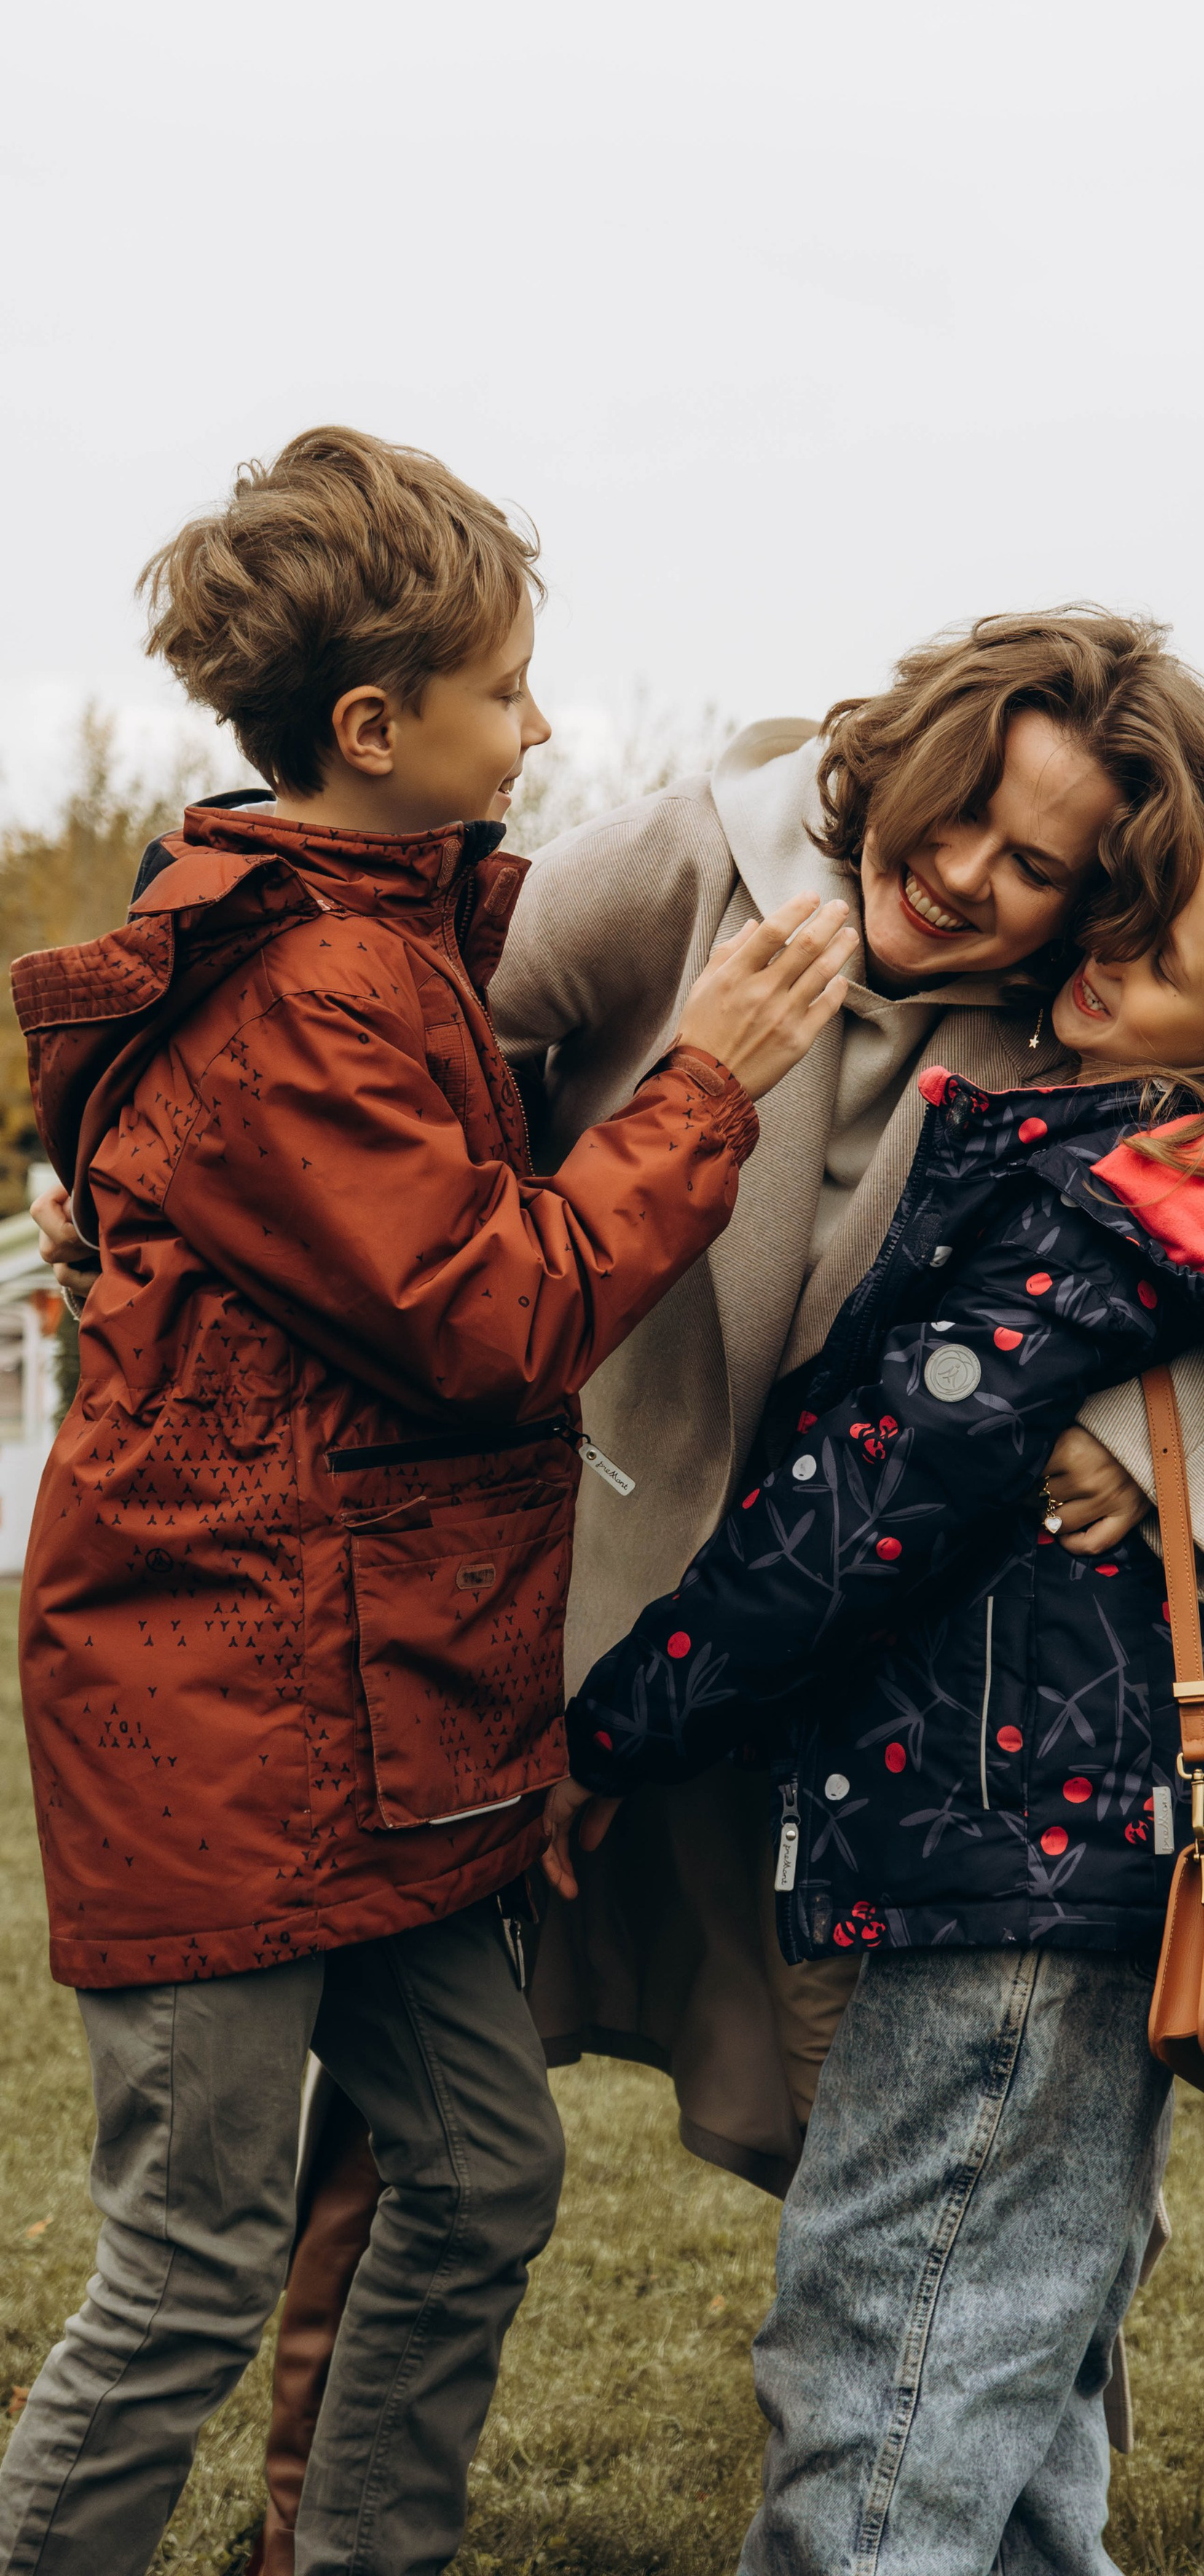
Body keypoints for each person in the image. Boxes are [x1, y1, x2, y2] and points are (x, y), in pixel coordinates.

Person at [243, 606, 1204, 2552]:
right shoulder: (688, 862)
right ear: (901, 755)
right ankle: (318, 2529)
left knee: (938, 2160)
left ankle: (982, 2504)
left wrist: (1167, 1440)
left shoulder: (1083, 1017)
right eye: (960, 813)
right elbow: (376, 1072)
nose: (971, 878)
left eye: (1039, 868)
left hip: (841, 1675)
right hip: (545, 1606)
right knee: (420, 2120)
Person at [0, 425, 853, 2576]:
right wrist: (710, 1087)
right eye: (507, 692)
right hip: (220, 1727)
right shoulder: (300, 988)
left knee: (478, 2173)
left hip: (383, 1736)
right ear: (374, 730)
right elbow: (493, 1317)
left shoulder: (400, 934)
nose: (541, 727)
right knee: (188, 2266)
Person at [551, 829, 1204, 2576]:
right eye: (1135, 910)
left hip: (1008, 1839)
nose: (1107, 947)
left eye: (1162, 957)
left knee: (889, 2335)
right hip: (1081, 1829)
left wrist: (613, 1728)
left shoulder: (1098, 1207)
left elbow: (863, 1509)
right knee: (1023, 2338)